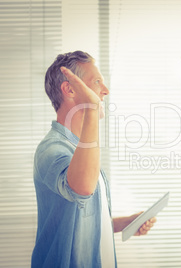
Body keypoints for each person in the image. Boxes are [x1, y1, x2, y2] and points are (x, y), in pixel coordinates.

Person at [32, 51, 156, 268]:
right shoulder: (51, 150)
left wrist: (124, 223)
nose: (105, 91)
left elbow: (84, 220)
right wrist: (90, 109)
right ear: (70, 89)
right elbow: (81, 189)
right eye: (97, 82)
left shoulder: (79, 149)